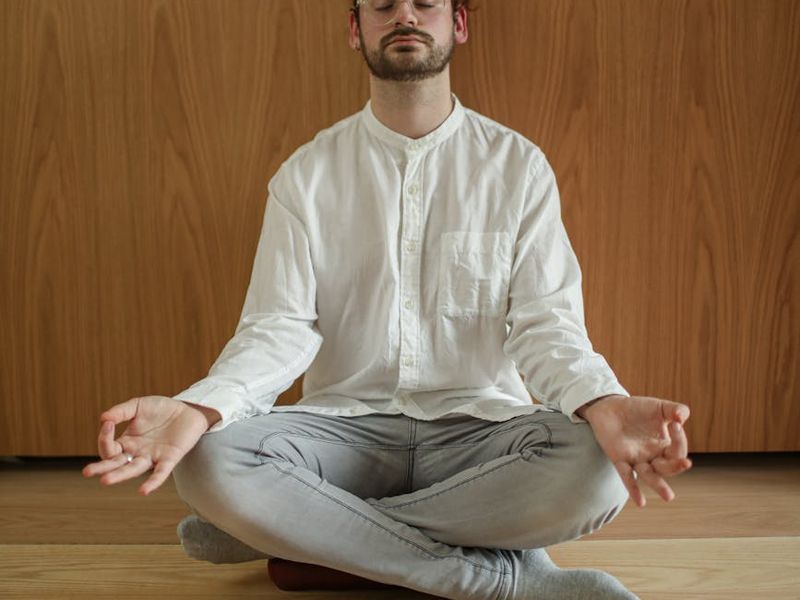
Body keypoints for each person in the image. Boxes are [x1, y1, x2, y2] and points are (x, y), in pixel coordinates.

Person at [83, 1, 693, 598]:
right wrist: (200, 408)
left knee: (595, 472)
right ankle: (494, 578)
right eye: (382, 5)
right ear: (357, 28)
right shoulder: (307, 174)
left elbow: (544, 325)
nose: (405, 15)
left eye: (424, 2)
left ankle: (304, 536)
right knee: (209, 461)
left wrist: (604, 401)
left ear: (457, 22)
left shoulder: (517, 167)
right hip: (343, 434)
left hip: (481, 434)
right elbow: (278, 327)